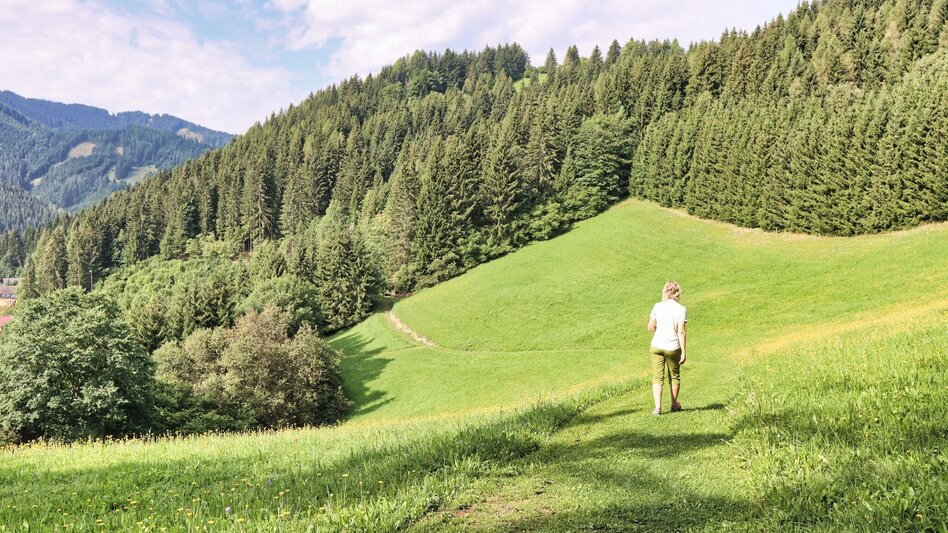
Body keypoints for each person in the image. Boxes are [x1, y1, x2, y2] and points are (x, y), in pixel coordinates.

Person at [647, 281, 687, 415]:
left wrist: (661, 329)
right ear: (677, 293)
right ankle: (674, 404)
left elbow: (650, 327)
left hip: (657, 345)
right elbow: (681, 331)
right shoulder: (681, 309)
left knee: (658, 377)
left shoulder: (657, 306)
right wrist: (683, 352)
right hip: (673, 346)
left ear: (665, 292)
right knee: (674, 376)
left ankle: (657, 407)